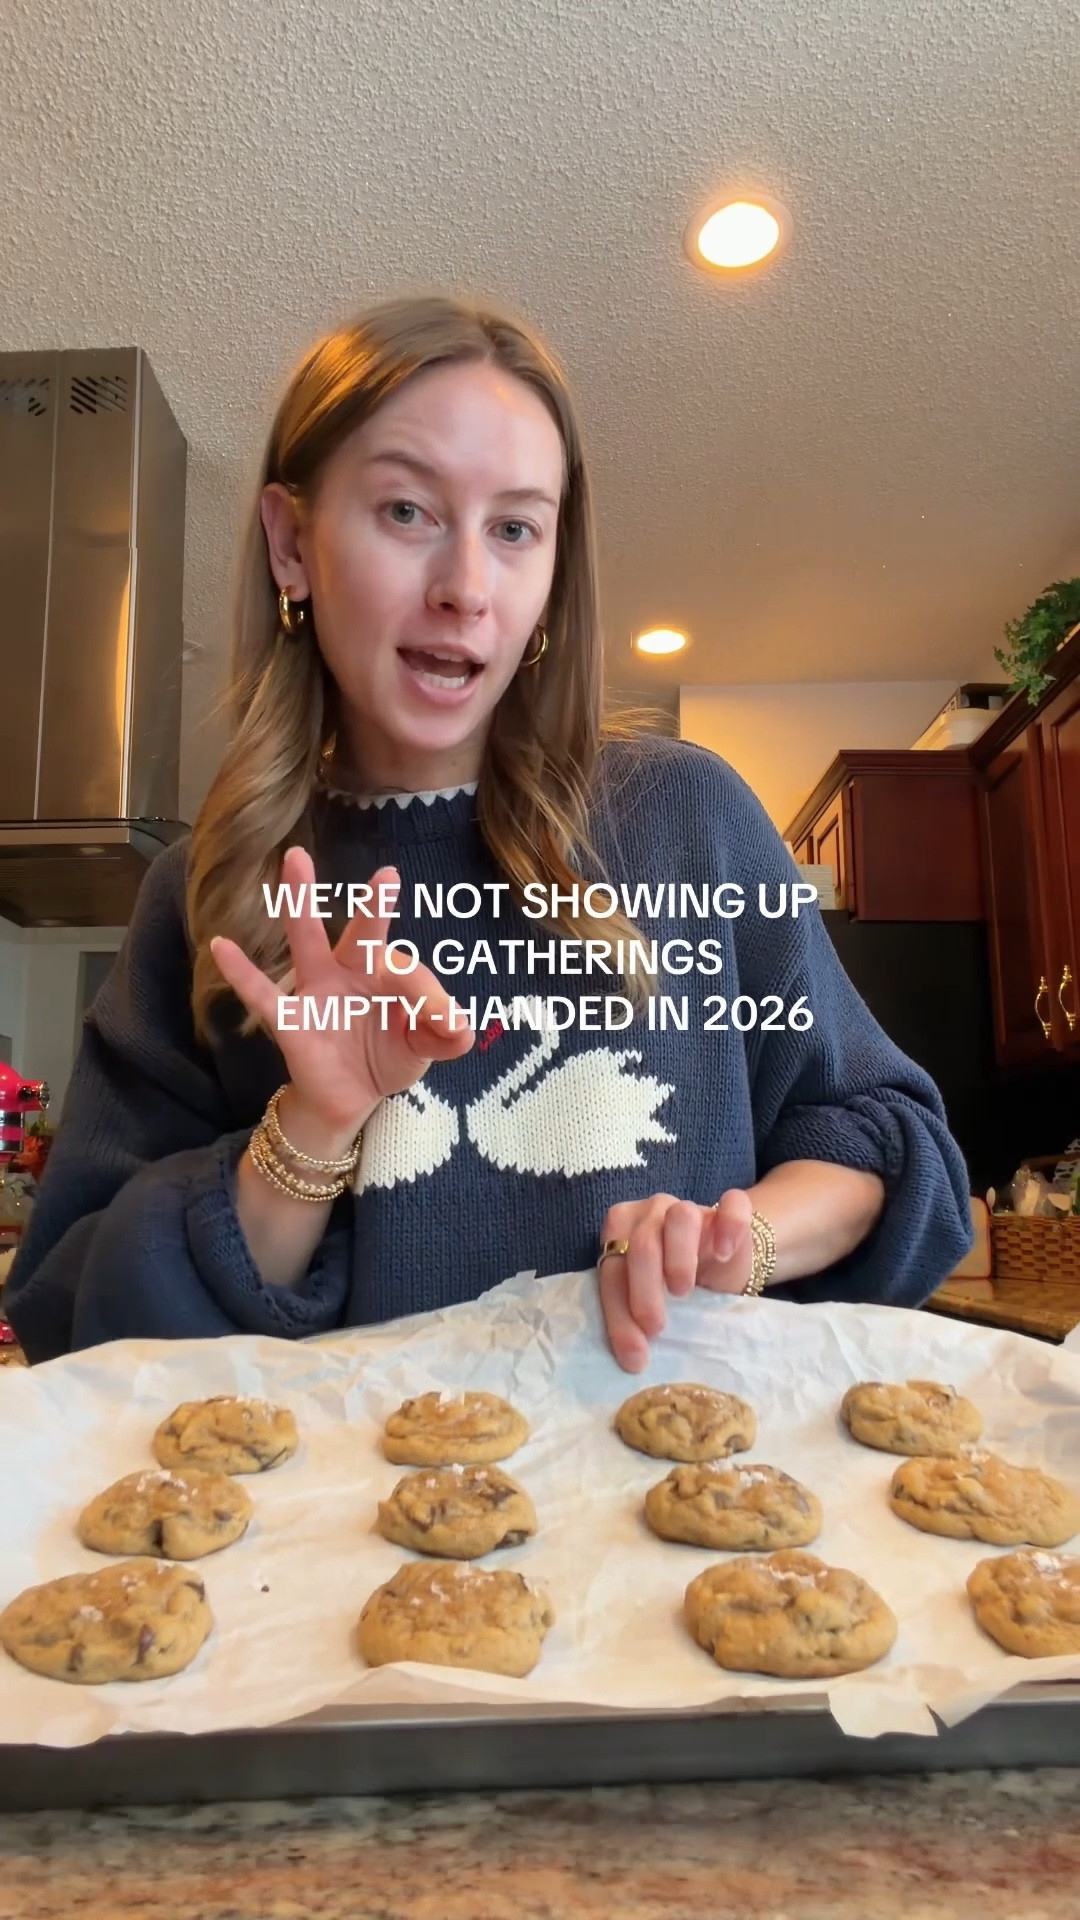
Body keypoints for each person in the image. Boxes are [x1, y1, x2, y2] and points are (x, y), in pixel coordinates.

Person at [3, 292, 973, 1369]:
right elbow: (83, 1322)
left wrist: (734, 1243)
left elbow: (884, 1139)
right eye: (407, 511)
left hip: (674, 1507)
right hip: (348, 1529)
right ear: (292, 543)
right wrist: (308, 1133)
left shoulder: (685, 818)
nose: (466, 586)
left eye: (514, 528)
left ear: (554, 575)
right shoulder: (209, 896)